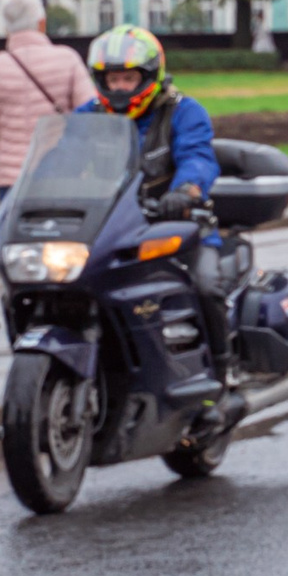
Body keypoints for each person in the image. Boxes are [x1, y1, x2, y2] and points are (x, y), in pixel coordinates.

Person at [77, 26, 227, 369]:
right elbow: (62, 159)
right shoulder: (88, 116)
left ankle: (223, 368)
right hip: (109, 231)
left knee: (206, 287)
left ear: (149, 75)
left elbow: (198, 157)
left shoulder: (183, 112)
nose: (119, 88)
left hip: (175, 227)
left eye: (128, 79)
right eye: (112, 79)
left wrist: (185, 191)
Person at [0, 0, 95, 199]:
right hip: (62, 171)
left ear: (6, 27)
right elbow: (91, 115)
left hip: (11, 177)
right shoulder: (67, 59)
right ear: (42, 23)